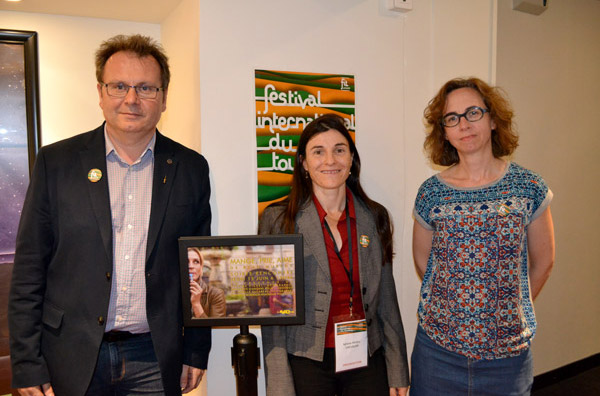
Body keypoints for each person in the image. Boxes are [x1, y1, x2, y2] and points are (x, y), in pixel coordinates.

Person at [8, 34, 212, 396]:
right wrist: (26, 364)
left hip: (154, 355)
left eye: (146, 88)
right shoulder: (56, 163)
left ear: (163, 98)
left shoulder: (190, 168)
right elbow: (28, 270)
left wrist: (197, 350)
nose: (131, 99)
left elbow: (200, 267)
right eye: (119, 86)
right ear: (101, 93)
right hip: (70, 353)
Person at [410, 77, 555, 395]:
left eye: (473, 112)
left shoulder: (528, 187)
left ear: (492, 119)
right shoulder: (431, 193)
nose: (463, 124)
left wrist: (506, 309)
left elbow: (543, 262)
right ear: (445, 132)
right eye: (452, 118)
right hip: (437, 354)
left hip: (507, 359)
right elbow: (425, 263)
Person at [259, 114, 409, 396]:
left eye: (339, 150)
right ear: (303, 162)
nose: (330, 160)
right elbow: (273, 314)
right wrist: (278, 384)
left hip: (366, 356)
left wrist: (398, 367)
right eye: (318, 152)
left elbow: (387, 299)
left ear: (351, 159)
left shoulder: (375, 217)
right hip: (306, 359)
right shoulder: (279, 220)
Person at [188, 247, 226, 318]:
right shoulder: (173, 293)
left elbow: (216, 328)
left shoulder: (216, 294)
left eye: (196, 262)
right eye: (186, 261)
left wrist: (196, 304)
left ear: (201, 267)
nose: (191, 266)